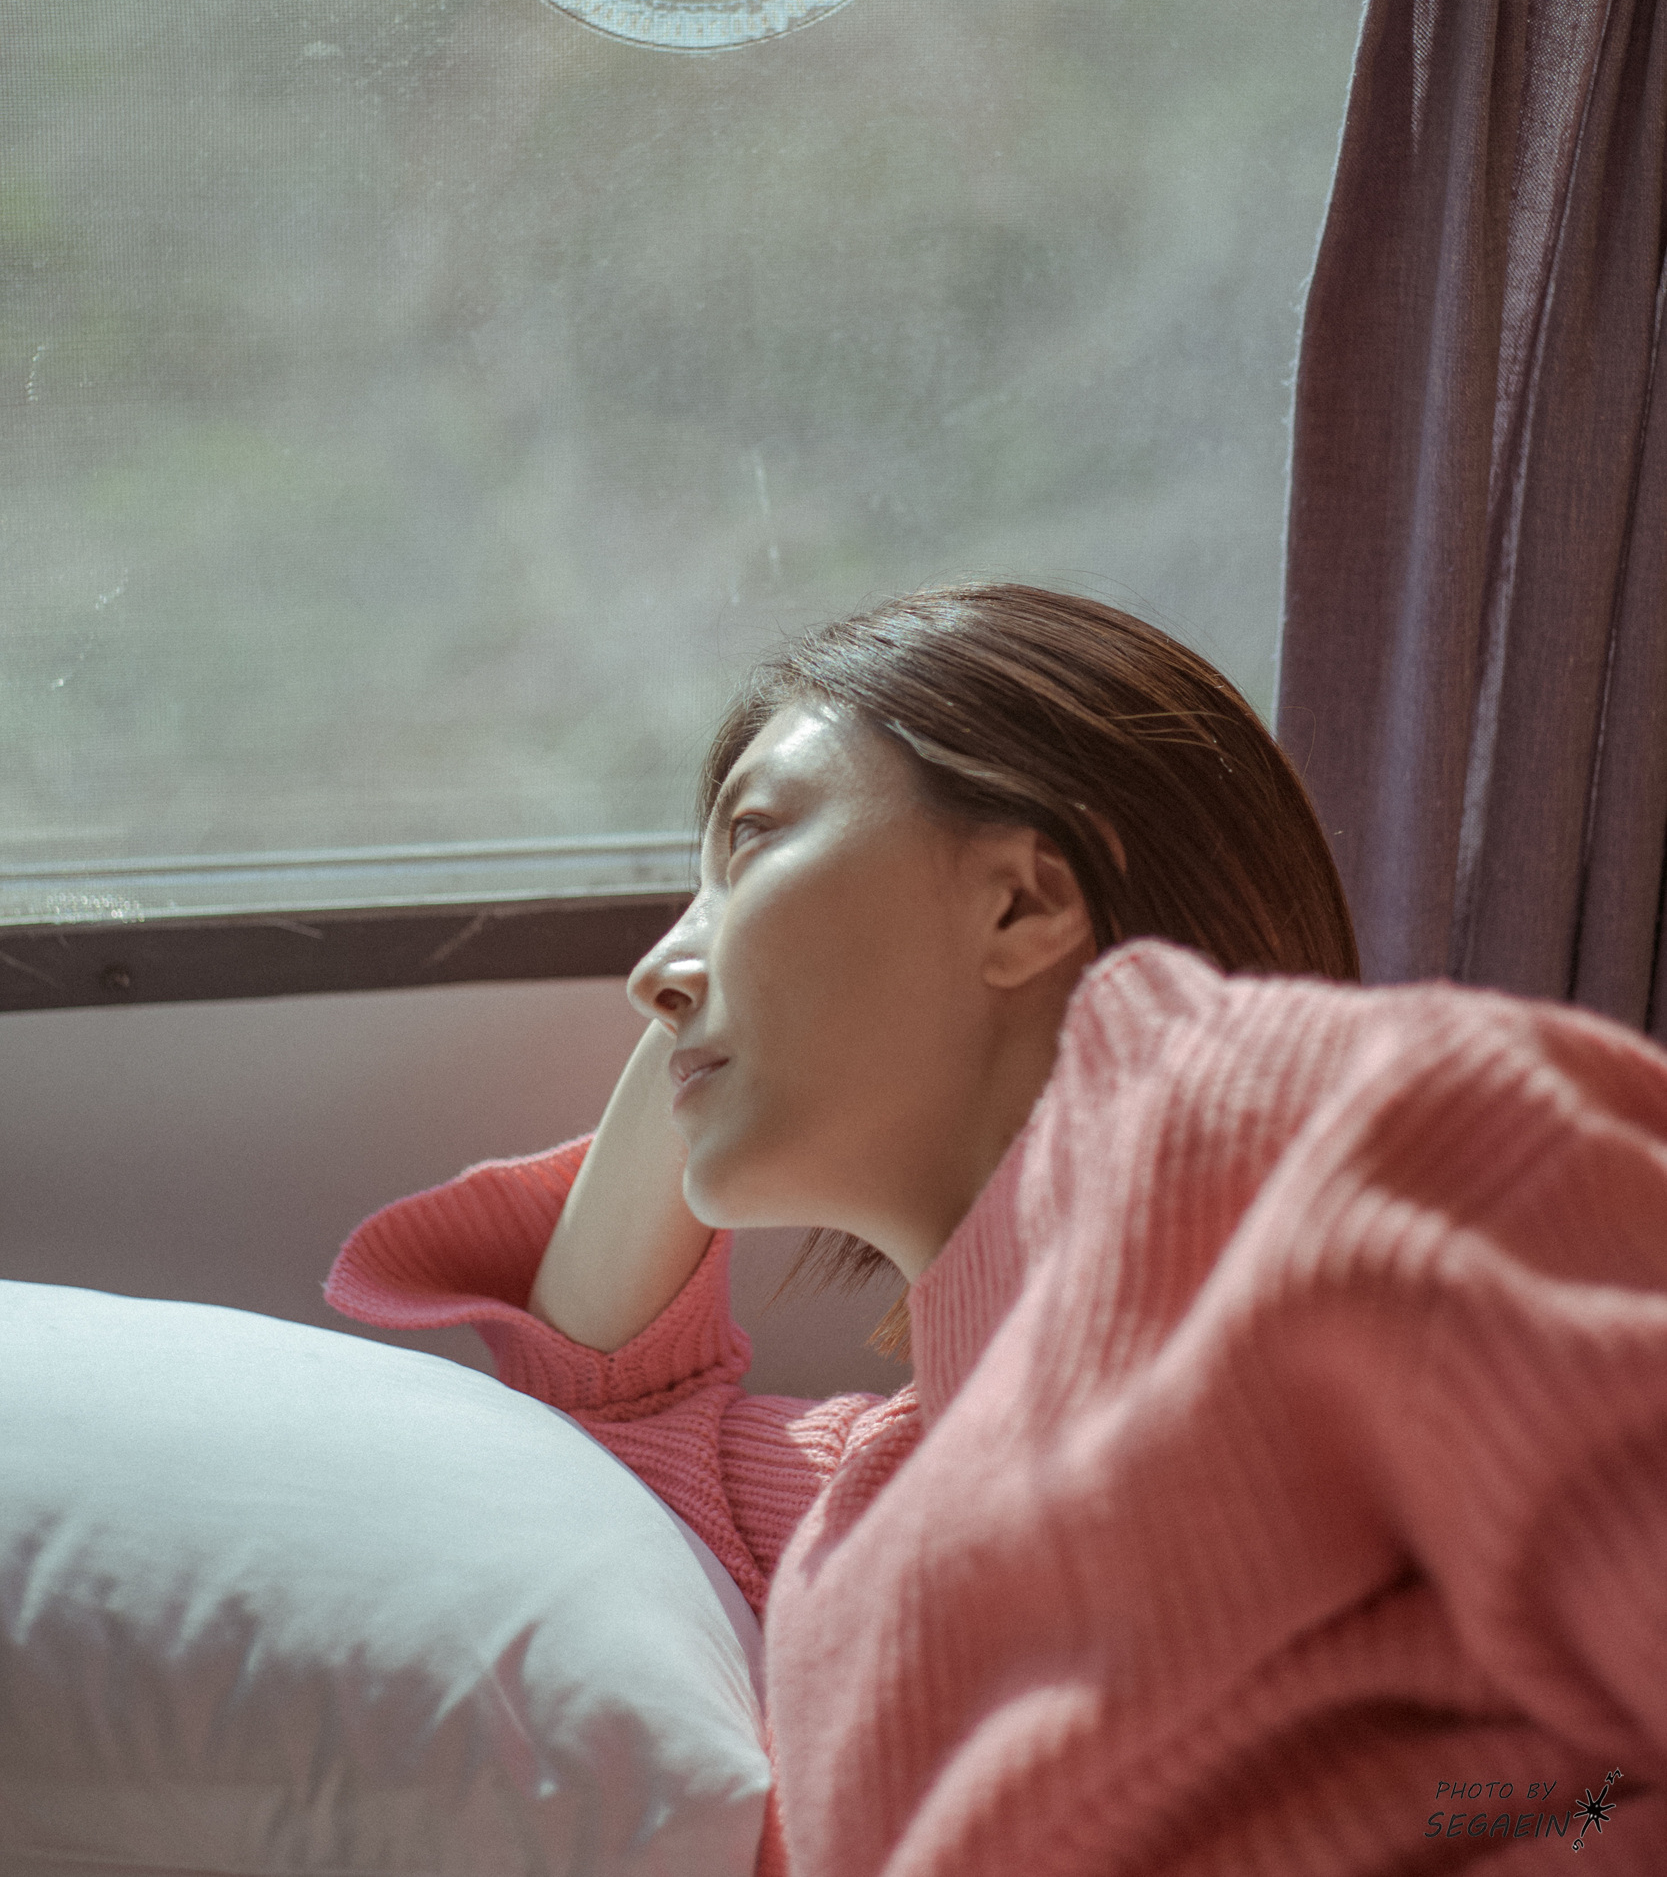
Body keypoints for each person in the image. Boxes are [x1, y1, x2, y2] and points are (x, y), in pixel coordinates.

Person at [328, 584, 1667, 1875]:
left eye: (752, 841)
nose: (650, 976)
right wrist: (718, 992)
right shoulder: (879, 1489)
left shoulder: (1339, 1134)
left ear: (1022, 902)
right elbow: (603, 1411)